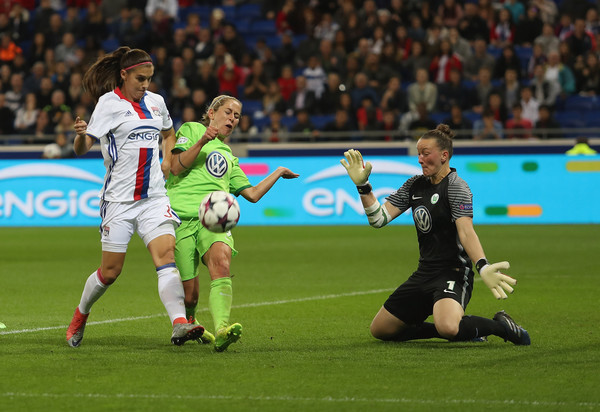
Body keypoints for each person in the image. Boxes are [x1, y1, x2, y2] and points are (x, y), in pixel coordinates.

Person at [339, 125, 530, 346]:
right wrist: (363, 186)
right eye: (419, 153)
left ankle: (501, 326)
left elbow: (466, 232)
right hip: (424, 272)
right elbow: (378, 219)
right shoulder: (414, 184)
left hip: (454, 272)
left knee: (448, 326)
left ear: (444, 155)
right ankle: (466, 331)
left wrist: (483, 266)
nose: (420, 159)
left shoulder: (457, 187)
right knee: (381, 330)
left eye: (425, 153)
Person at [66, 46, 206, 348]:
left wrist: (168, 159)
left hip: (154, 197)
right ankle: (81, 314)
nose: (145, 85)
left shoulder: (156, 102)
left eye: (149, 79)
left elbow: (169, 133)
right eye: (140, 79)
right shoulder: (108, 104)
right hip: (119, 200)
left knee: (166, 257)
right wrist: (80, 134)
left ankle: (179, 323)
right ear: (124, 74)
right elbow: (82, 148)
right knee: (110, 272)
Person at [166, 95, 299, 352]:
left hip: (213, 222)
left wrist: (279, 172)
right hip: (180, 219)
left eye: (237, 116)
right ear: (212, 112)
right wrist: (204, 139)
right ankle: (191, 321)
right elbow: (175, 167)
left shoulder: (229, 157)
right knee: (189, 294)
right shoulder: (191, 129)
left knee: (222, 262)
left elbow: (252, 194)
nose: (232, 119)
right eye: (228, 112)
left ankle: (222, 329)